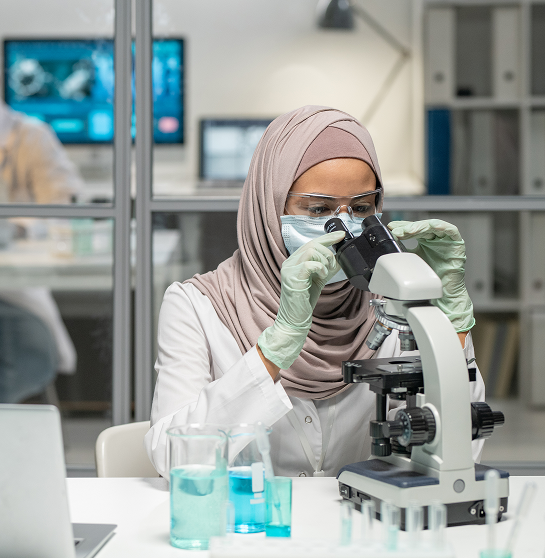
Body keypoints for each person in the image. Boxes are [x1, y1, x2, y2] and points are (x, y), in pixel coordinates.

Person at [144, 105, 484, 478]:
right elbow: (175, 459)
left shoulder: (394, 307)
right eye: (318, 210)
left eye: (361, 208)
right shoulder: (197, 307)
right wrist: (273, 351)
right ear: (269, 207)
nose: (344, 229)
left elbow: (458, 451)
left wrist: (450, 326)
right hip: (249, 513)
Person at [0, 101, 81, 402]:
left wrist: (15, 228)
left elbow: (62, 209)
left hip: (16, 280)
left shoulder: (31, 137)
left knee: (23, 340)